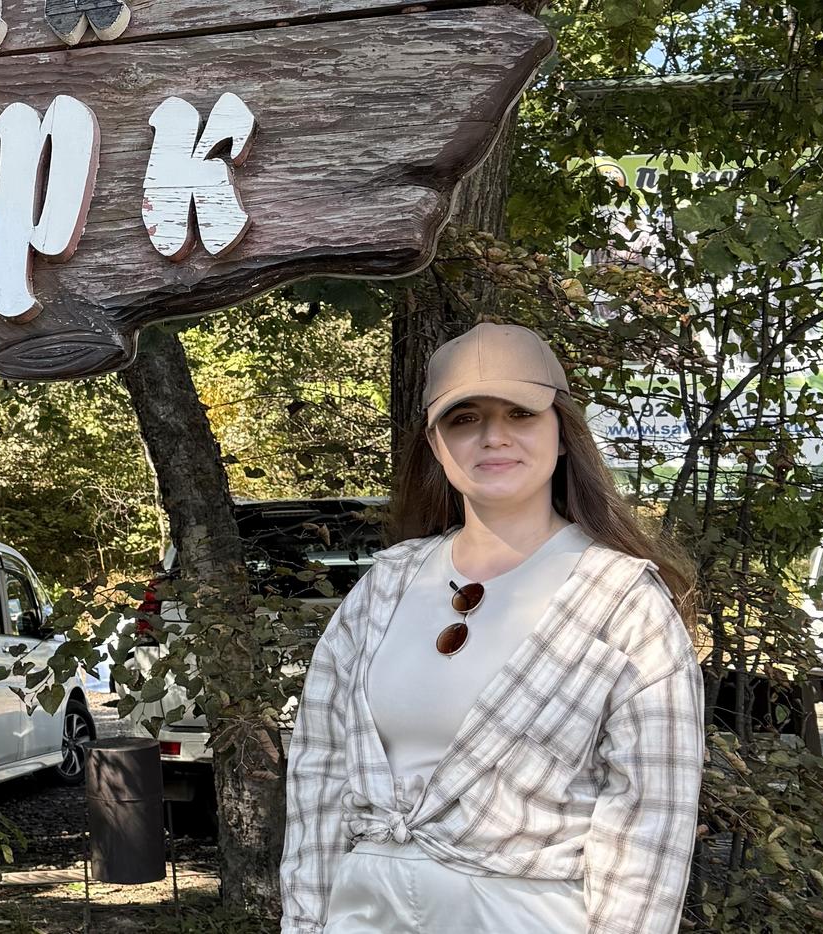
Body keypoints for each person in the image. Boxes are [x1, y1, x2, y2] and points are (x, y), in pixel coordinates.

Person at [278, 323, 704, 934]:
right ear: (436, 443)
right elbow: (319, 772)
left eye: (520, 414)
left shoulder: (621, 600)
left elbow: (649, 817)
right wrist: (304, 922)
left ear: (562, 435)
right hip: (363, 913)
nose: (493, 436)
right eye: (465, 418)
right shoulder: (386, 585)